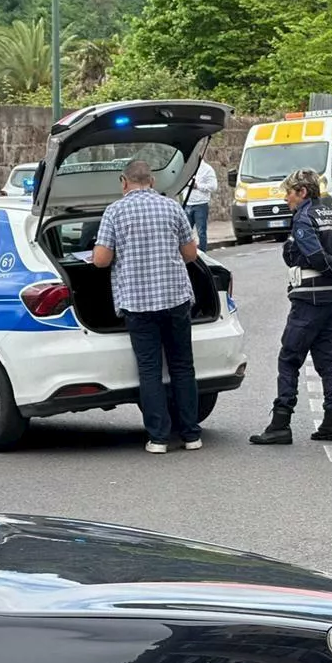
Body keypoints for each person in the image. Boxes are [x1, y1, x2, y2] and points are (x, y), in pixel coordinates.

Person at [94, 159, 203, 454]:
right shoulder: (171, 207)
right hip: (175, 299)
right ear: (152, 181)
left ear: (123, 182)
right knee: (182, 366)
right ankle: (192, 435)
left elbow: (101, 260)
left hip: (138, 303)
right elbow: (191, 254)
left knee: (150, 370)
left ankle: (158, 438)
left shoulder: (115, 212)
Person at [250, 169, 332, 446]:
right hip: (330, 301)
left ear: (303, 192)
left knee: (289, 358)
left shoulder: (304, 217)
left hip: (308, 299)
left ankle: (280, 423)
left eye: (289, 192)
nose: (286, 199)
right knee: (326, 361)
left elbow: (313, 255)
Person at [184, 157, 218, 251]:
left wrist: (198, 186)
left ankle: (203, 252)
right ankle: (187, 252)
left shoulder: (207, 169)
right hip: (187, 203)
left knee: (201, 232)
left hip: (201, 204)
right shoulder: (186, 169)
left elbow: (213, 186)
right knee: (186, 231)